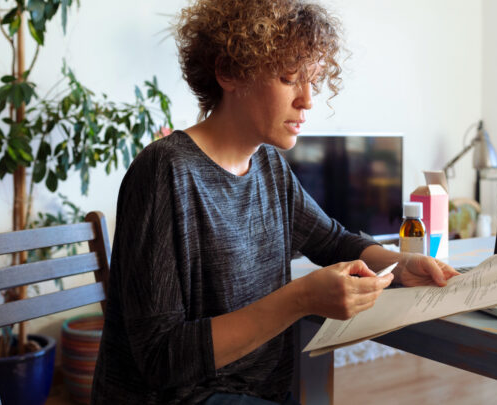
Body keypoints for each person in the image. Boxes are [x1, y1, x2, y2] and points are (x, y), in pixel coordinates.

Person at [90, 1, 459, 404]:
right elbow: (161, 359)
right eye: (288, 78)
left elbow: (333, 241)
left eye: (313, 81)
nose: (307, 100)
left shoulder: (268, 166)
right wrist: (300, 298)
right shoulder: (165, 171)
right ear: (229, 72)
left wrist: (402, 265)